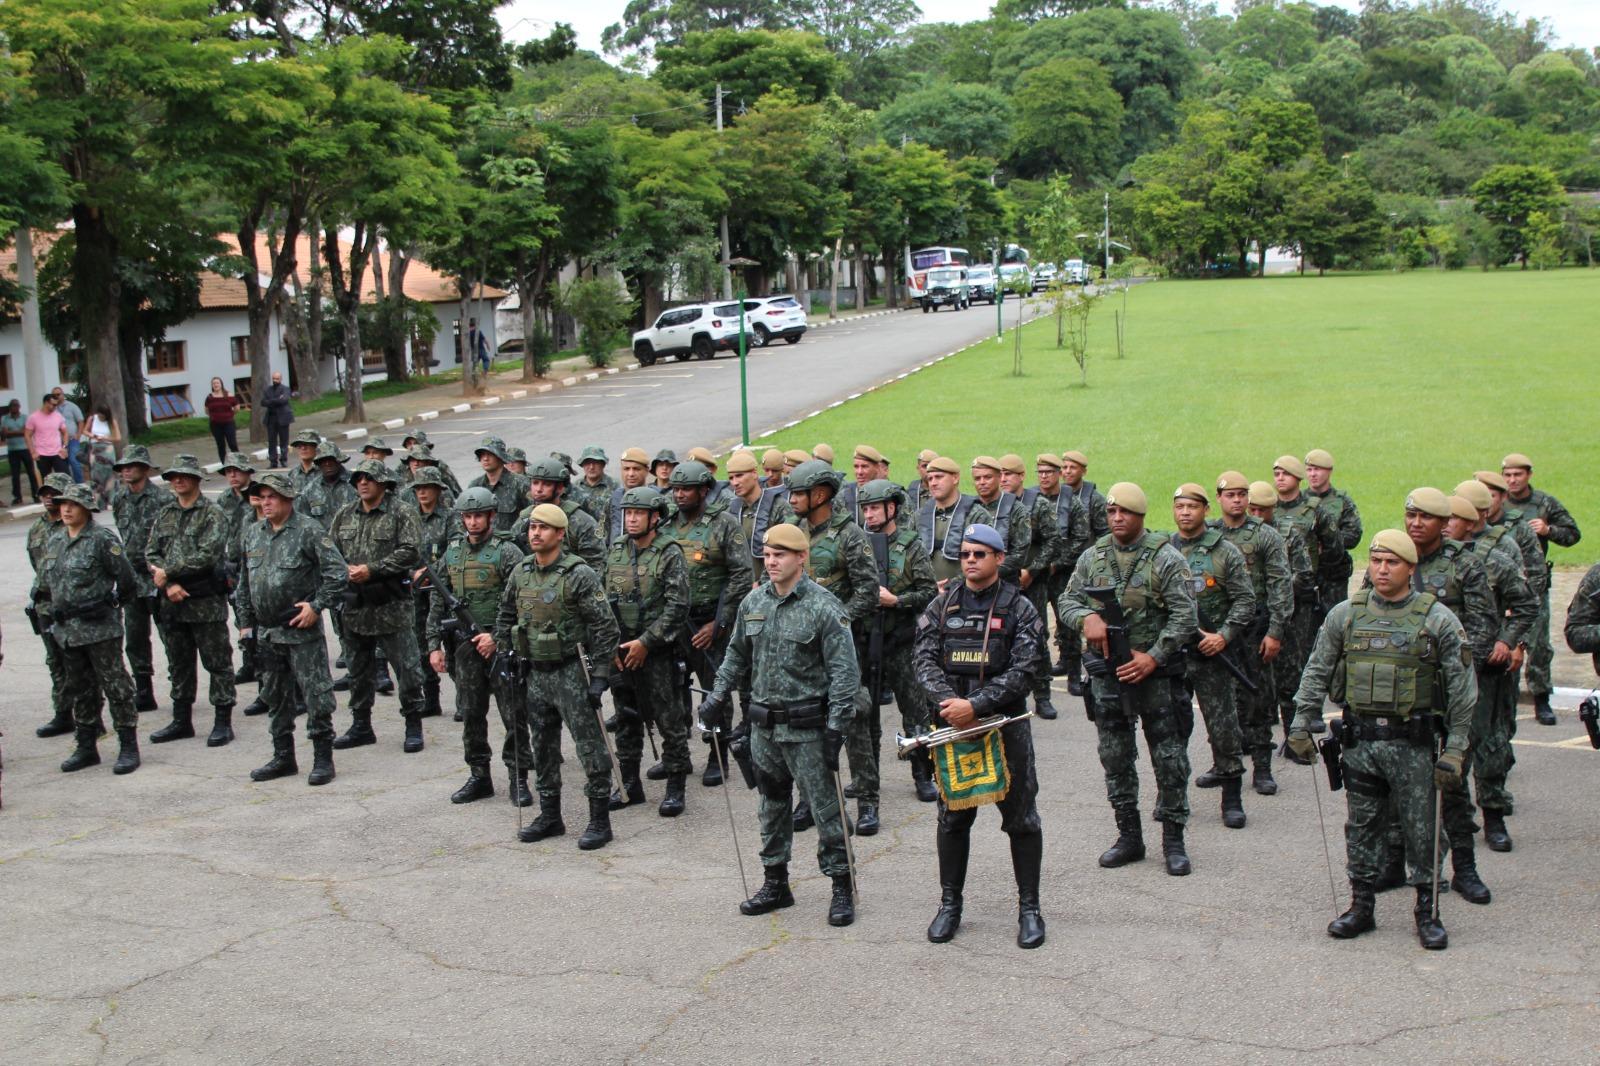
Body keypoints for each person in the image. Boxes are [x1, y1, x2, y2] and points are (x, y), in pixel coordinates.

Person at [1288, 529, 1476, 951]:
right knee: (1362, 825)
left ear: (1411, 567)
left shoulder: (1437, 619)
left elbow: (1464, 691)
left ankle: (1427, 911)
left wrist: (1457, 749)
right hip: (1361, 744)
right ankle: (1361, 905)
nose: (1383, 569)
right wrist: (1302, 722)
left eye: (1393, 562)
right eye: (1376, 561)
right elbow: (1317, 668)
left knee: (1422, 828)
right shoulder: (1346, 615)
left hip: (1413, 745)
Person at [700, 523, 860, 927]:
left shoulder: (824, 607)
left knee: (826, 810)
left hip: (807, 728)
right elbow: (735, 654)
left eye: (780, 555)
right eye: (767, 555)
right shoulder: (754, 603)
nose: (771, 561)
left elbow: (845, 675)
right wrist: (718, 696)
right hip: (764, 727)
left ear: (801, 558)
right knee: (770, 807)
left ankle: (841, 884)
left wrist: (837, 729)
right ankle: (776, 882)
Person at [913, 522, 1047, 949]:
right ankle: (950, 905)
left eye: (980, 554)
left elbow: (1025, 669)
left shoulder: (1021, 608)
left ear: (998, 558)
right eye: (966, 553)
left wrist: (979, 705)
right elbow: (924, 659)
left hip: (1003, 728)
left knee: (1022, 821)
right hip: (953, 726)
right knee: (953, 819)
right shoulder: (941, 604)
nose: (970, 560)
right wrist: (952, 704)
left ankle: (1030, 909)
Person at [1060, 482, 1200, 877]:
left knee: (1169, 759)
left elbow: (1185, 616)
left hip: (1157, 677)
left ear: (1140, 516)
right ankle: (1129, 836)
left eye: (1125, 513)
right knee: (1115, 756)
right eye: (1111, 512)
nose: (1117, 519)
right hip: (1108, 677)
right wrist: (1085, 619)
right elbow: (1068, 600)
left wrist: (1153, 656)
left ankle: (1173, 839)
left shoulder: (1166, 559)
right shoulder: (1094, 556)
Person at [494, 503, 621, 849]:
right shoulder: (521, 572)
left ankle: (599, 819)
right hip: (535, 673)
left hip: (571, 671)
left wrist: (600, 674)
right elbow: (504, 615)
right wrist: (507, 653)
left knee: (590, 748)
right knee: (543, 747)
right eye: (533, 527)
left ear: (560, 534)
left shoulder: (579, 574)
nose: (536, 533)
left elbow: (606, 627)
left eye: (544, 528)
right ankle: (550, 815)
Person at [235, 473, 348, 786]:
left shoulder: (309, 531)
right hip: (268, 632)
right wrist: (245, 625)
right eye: (261, 497)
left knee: (316, 695)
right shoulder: (253, 534)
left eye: (272, 496)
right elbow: (245, 584)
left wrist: (316, 605)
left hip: (300, 630)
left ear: (287, 498)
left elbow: (337, 574)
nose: (265, 502)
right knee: (275, 696)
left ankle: (323, 756)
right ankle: (283, 756)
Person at [787, 459, 879, 831]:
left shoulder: (849, 534)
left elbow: (868, 591)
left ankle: (868, 801)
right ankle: (809, 799)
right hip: (800, 647)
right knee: (804, 721)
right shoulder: (792, 532)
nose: (791, 499)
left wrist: (836, 622)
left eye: (798, 493)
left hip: (839, 646)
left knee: (854, 718)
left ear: (820, 495)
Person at [427, 486, 532, 806]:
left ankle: (519, 777)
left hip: (500, 645)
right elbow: (437, 600)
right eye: (468, 516)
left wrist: (499, 639)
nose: (473, 522)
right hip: (465, 646)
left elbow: (523, 600)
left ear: (490, 516)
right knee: (471, 712)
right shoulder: (453, 552)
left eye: (478, 516)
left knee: (513, 713)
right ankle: (479, 775)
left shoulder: (508, 551)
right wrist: (433, 645)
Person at [1449, 481, 1538, 854]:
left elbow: (1525, 602)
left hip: (1487, 665)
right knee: (1451, 747)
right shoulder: (1434, 559)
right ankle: (1458, 815)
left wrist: (1511, 641)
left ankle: (1494, 814)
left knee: (1490, 743)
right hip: (1447, 668)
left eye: (1451, 516)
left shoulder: (1500, 552)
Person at [36, 484, 142, 774]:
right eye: (63, 504)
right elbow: (45, 581)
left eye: (74, 505)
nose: (67, 509)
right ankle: (86, 746)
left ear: (87, 509)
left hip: (100, 629)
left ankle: (128, 744)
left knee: (116, 685)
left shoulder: (101, 539)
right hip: (67, 630)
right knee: (80, 688)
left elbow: (128, 580)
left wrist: (111, 607)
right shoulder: (55, 539)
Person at [661, 459, 754, 787]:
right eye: (676, 489)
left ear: (703, 490)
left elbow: (742, 575)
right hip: (674, 621)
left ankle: (719, 755)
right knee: (670, 691)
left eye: (687, 489)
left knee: (716, 689)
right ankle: (674, 756)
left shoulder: (724, 523)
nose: (680, 495)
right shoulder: (667, 525)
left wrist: (719, 622)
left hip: (710, 621)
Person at [1169, 483, 1256, 829]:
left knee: (1223, 728)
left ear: (1206, 510)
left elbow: (1246, 601)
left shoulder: (1225, 553)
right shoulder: (1163, 549)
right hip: (1174, 655)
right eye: (1180, 507)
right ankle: (1172, 797)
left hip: (1212, 655)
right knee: (1171, 730)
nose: (1185, 513)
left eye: (1192, 506)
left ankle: (1231, 795)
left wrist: (1224, 636)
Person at [328, 460, 429, 754]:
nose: (362, 483)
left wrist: (373, 569)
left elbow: (411, 551)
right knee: (358, 671)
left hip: (391, 605)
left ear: (384, 483)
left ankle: (413, 723)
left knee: (408, 669)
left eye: (369, 478)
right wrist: (343, 570)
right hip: (356, 606)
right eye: (359, 478)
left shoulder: (401, 512)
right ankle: (361, 725)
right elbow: (331, 550)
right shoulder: (345, 515)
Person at [602, 486, 692, 816]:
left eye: (639, 513)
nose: (632, 518)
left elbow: (678, 606)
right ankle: (629, 785)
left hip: (657, 652)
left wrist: (646, 642)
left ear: (655, 517)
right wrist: (610, 642)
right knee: (626, 719)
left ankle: (675, 786)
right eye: (628, 513)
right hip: (621, 651)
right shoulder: (616, 551)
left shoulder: (669, 552)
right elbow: (602, 599)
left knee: (669, 719)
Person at [144, 455, 237, 747]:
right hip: (173, 601)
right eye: (173, 476)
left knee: (217, 662)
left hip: (204, 600)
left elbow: (209, 554)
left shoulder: (213, 512)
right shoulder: (166, 512)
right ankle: (181, 720)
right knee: (179, 664)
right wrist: (168, 583)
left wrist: (169, 572)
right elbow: (151, 552)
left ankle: (223, 721)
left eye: (183, 475)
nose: (178, 480)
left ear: (197, 479)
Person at [1210, 471, 1294, 795]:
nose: (1238, 500)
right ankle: (1224, 764)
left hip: (1254, 630)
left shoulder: (1265, 536)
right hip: (1218, 629)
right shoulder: (1210, 535)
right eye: (1231, 495)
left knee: (1259, 698)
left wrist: (1275, 632)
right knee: (1219, 702)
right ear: (1219, 498)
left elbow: (1280, 585)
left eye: (1242, 494)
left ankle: (1262, 767)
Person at [858, 479, 939, 802]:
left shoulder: (909, 545)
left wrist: (897, 601)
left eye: (875, 507)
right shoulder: (859, 544)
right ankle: (867, 777)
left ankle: (923, 774)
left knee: (915, 712)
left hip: (902, 641)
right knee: (864, 714)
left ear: (891, 509)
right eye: (865, 508)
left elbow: (929, 592)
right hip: (867, 641)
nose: (869, 514)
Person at [1500, 453, 1581, 725]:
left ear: (1529, 475)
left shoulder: (1544, 503)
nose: (1512, 480)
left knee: (1539, 645)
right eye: (1508, 475)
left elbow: (1572, 534)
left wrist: (1548, 530)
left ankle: (1541, 697)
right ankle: (1504, 698)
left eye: (1518, 475)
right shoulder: (1497, 505)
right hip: (1501, 587)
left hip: (1534, 585)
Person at [111, 444, 175, 713]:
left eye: (132, 466)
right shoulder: (119, 499)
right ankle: (144, 690)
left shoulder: (162, 500)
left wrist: (167, 574)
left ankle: (180, 686)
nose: (126, 471)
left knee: (170, 635)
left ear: (145, 469)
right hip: (132, 580)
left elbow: (171, 540)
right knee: (135, 638)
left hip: (157, 576)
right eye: (123, 467)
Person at [1001, 454, 1059, 721]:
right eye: (1000, 474)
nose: (1003, 480)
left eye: (1009, 474)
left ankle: (1043, 694)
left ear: (1021, 476)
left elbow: (1052, 542)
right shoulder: (994, 507)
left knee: (1036, 637)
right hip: (1003, 581)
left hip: (1032, 581)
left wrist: (1032, 570)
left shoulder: (1039, 505)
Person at [27, 475, 78, 738]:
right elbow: (37, 566)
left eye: (54, 493)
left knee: (78, 663)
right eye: (44, 493)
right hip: (45, 606)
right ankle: (62, 713)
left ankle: (87, 716)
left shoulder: (71, 526)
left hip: (71, 606)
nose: (48, 498)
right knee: (55, 662)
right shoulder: (36, 528)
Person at [409, 466, 457, 719]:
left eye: (427, 487)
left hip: (444, 588)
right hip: (416, 592)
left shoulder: (451, 517)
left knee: (452, 640)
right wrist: (411, 574)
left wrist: (428, 572)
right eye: (418, 488)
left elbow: (455, 551)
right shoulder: (409, 518)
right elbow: (401, 552)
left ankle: (463, 698)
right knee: (420, 642)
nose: (423, 492)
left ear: (438, 490)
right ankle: (431, 697)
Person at [513, 458, 607, 572]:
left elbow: (597, 564)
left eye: (546, 484)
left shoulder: (580, 521)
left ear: (560, 488)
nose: (539, 489)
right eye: (535, 483)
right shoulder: (524, 519)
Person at [915, 456, 992, 591]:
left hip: (968, 594)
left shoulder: (977, 515)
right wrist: (930, 589)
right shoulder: (919, 516)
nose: (933, 483)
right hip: (926, 596)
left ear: (955, 478)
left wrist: (950, 586)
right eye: (930, 478)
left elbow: (985, 560)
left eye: (939, 477)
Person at [1304, 449, 1362, 609]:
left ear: (1329, 472)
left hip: (1333, 578)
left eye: (1317, 469)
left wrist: (1329, 543)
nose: (1313, 474)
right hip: (1305, 575)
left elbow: (1354, 534)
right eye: (1309, 469)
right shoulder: (1300, 501)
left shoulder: (1342, 501)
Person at [469, 436, 530, 534]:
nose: (485, 458)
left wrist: (515, 533)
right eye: (482, 455)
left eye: (490, 454)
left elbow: (534, 513)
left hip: (514, 544)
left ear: (501, 456)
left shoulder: (521, 483)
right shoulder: (475, 486)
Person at [606, 447, 653, 543]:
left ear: (647, 470)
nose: (631, 474)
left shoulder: (654, 499)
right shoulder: (615, 498)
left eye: (636, 469)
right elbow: (604, 532)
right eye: (626, 469)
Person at [2, 398, 38, 504]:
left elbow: (26, 432)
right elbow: (4, 434)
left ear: (19, 407)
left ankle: (35, 494)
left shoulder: (25, 417)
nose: (14, 407)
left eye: (16, 405)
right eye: (12, 405)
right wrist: (19, 432)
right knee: (15, 475)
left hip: (25, 448)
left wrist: (11, 432)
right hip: (12, 450)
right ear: (10, 407)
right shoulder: (5, 418)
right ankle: (17, 497)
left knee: (31, 473)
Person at [82, 403, 120, 505]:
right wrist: (93, 435)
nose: (101, 417)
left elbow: (117, 437)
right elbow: (85, 431)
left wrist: (104, 438)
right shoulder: (92, 419)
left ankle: (112, 498)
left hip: (107, 448)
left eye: (103, 416)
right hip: (95, 448)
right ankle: (98, 500)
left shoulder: (112, 422)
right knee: (96, 474)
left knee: (110, 473)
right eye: (99, 415)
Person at [203, 377, 245, 465]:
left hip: (228, 423)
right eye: (214, 383)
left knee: (232, 443)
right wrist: (214, 416)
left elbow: (237, 407)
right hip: (215, 425)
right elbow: (206, 410)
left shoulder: (229, 395)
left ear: (221, 384)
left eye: (217, 383)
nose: (216, 385)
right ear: (212, 385)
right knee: (220, 445)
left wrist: (230, 414)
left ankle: (238, 462)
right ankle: (224, 464)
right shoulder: (209, 397)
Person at [25, 393, 68, 477]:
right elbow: (27, 435)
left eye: (57, 405)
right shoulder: (33, 417)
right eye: (54, 404)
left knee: (65, 478)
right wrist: (33, 452)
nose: (55, 407)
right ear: (46, 403)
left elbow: (65, 432)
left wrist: (64, 447)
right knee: (46, 482)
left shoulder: (58, 416)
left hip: (57, 453)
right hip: (42, 454)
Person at [571, 445, 616, 524]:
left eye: (596, 463)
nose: (591, 467)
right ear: (582, 465)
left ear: (603, 464)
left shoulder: (615, 486)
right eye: (587, 463)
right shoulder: (575, 487)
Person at [50, 386, 85, 483]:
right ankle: (67, 485)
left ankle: (79, 485)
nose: (56, 396)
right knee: (62, 465)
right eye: (54, 395)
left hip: (72, 439)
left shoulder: (71, 406)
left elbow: (80, 421)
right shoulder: (52, 408)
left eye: (58, 394)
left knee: (74, 462)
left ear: (63, 394)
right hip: (58, 442)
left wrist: (78, 435)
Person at [260, 371, 294, 469]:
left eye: (277, 379)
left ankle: (284, 460)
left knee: (284, 440)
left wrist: (271, 401)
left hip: (283, 418)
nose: (275, 380)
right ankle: (273, 461)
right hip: (271, 418)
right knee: (271, 441)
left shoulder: (285, 389)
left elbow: (284, 400)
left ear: (281, 379)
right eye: (274, 378)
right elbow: (263, 402)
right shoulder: (268, 389)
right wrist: (276, 400)